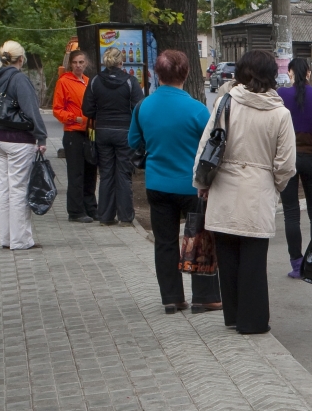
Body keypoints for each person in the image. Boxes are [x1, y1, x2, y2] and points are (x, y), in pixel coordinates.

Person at [194, 50, 295, 335]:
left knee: (227, 254)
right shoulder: (280, 113)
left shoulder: (226, 103)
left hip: (224, 185)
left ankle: (234, 315)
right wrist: (274, 184)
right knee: (253, 258)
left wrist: (202, 183)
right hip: (258, 189)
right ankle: (253, 320)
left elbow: (206, 145)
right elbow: (286, 163)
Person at [129, 49, 222, 315]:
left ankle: (171, 297)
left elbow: (133, 142)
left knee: (165, 241)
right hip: (191, 185)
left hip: (157, 183)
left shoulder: (143, 106)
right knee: (199, 238)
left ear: (157, 74)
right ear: (187, 72)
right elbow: (209, 146)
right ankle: (204, 296)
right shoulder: (195, 109)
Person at [0, 41, 48, 250]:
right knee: (19, 189)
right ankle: (20, 240)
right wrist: (41, 137)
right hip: (18, 139)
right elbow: (31, 110)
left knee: (2, 189)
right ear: (21, 59)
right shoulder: (19, 79)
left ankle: (6, 237)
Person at [277, 57, 312, 279]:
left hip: (288, 159)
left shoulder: (280, 95)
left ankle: (296, 264)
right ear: (308, 73)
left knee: (291, 212)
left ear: (290, 73)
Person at [83, 46, 142, 226]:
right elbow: (138, 107)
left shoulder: (95, 81)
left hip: (102, 132)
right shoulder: (130, 81)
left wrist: (100, 115)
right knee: (123, 174)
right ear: (121, 62)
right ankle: (125, 217)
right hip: (124, 132)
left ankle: (106, 216)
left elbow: (87, 109)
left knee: (106, 173)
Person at [51, 50, 99, 222]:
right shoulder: (64, 82)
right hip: (73, 132)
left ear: (86, 64)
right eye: (75, 62)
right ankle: (76, 210)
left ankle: (91, 207)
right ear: (71, 64)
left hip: (89, 132)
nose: (78, 65)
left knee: (90, 171)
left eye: (81, 62)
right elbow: (57, 109)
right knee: (76, 173)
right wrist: (75, 118)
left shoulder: (88, 82)